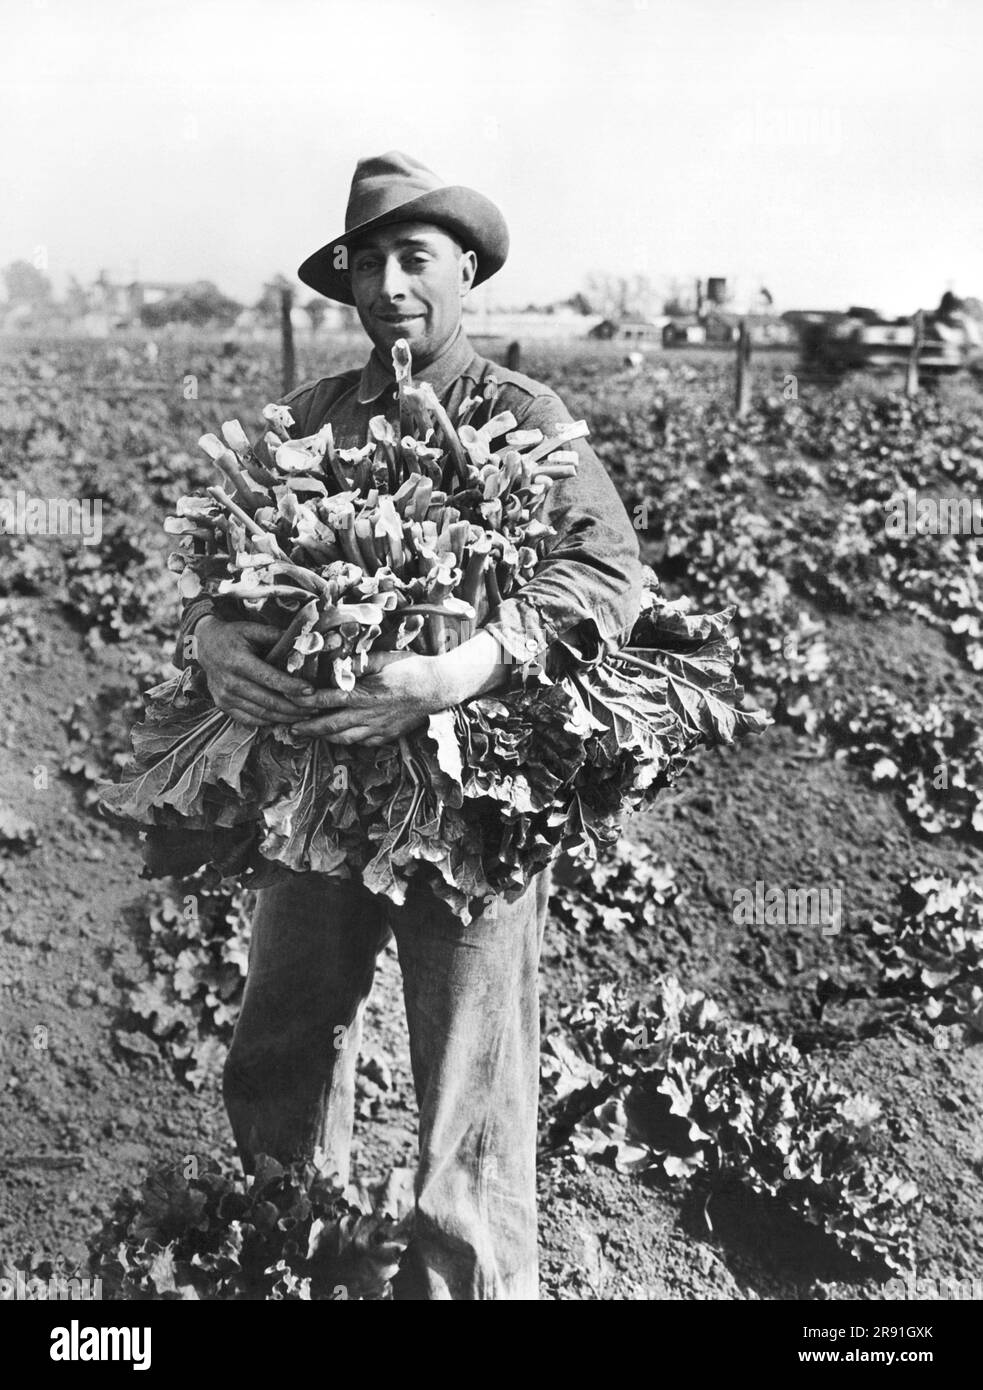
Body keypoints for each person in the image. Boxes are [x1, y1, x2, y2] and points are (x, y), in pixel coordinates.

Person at [173, 151, 643, 1299]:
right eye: (368, 263)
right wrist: (209, 636)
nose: (387, 284)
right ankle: (300, 1264)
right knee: (280, 1050)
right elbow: (220, 574)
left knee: (467, 1103)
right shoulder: (308, 419)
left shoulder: (523, 418)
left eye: (413, 258)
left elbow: (605, 573)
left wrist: (454, 671)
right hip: (319, 795)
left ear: (466, 271)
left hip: (473, 804)